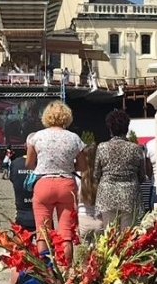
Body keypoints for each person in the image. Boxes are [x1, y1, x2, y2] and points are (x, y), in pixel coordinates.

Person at [25, 100, 87, 262]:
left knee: (43, 231)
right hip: (66, 184)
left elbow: (29, 164)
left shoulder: (37, 137)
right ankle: (66, 272)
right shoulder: (74, 138)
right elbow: (83, 166)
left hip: (43, 184)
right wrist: (68, 163)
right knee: (66, 233)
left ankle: (45, 272)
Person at [94, 109, 148, 232]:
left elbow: (96, 174)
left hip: (107, 195)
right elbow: (142, 176)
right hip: (130, 195)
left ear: (110, 128)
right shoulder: (136, 149)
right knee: (128, 239)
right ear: (127, 128)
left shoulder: (102, 147)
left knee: (110, 239)